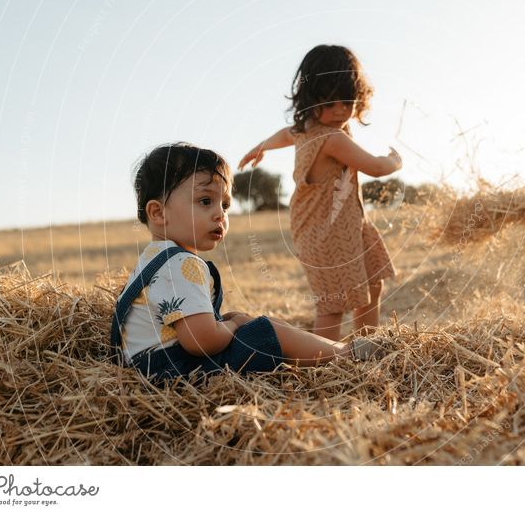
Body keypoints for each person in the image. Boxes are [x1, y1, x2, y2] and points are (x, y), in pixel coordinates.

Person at [111, 142, 381, 381]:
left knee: (260, 323)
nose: (220, 214)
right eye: (205, 201)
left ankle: (328, 351)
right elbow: (201, 342)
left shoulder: (153, 259)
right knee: (266, 330)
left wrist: (230, 321)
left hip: (148, 370)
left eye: (225, 205)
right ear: (158, 213)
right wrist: (233, 325)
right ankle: (348, 356)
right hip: (174, 373)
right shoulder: (181, 264)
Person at [238, 45, 401, 341]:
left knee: (372, 283)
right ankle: (322, 362)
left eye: (347, 100)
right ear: (312, 98)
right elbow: (375, 168)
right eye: (330, 101)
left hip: (347, 226)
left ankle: (366, 346)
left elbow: (286, 134)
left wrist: (261, 146)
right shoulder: (331, 138)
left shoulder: (309, 128)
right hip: (324, 235)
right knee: (333, 304)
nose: (340, 110)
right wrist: (394, 161)